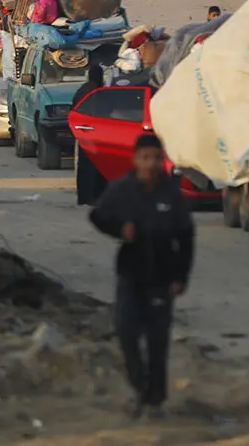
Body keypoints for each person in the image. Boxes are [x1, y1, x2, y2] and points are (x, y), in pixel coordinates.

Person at [90, 133, 194, 419]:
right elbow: (98, 216)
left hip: (163, 277)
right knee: (126, 333)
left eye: (156, 158)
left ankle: (155, 401)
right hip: (130, 276)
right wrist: (120, 229)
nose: (150, 163)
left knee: (158, 341)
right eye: (145, 158)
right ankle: (140, 386)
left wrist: (180, 276)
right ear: (135, 160)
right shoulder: (122, 190)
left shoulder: (171, 195)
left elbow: (186, 237)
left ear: (162, 160)